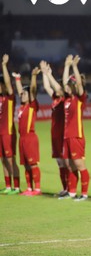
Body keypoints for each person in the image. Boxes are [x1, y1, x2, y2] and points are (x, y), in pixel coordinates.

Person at [61, 55, 90, 201]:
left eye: (68, 84)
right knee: (69, 164)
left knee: (79, 164)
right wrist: (66, 66)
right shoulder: (67, 99)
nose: (66, 86)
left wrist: (74, 67)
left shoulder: (79, 98)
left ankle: (84, 194)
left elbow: (78, 83)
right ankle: (72, 192)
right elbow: (65, 83)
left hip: (76, 135)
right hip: (67, 136)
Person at [40, 61, 68, 196]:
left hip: (63, 134)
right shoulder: (55, 99)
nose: (55, 90)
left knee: (66, 162)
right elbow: (46, 86)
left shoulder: (64, 99)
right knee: (59, 162)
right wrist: (45, 73)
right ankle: (65, 188)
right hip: (55, 135)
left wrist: (49, 75)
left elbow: (57, 88)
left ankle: (71, 189)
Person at [12, 68, 42, 196]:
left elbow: (33, 89)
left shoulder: (32, 106)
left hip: (30, 138)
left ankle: (38, 189)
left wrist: (33, 75)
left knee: (33, 164)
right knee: (26, 165)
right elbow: (20, 91)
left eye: (25, 94)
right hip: (22, 139)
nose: (22, 95)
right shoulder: (22, 107)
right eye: (22, 94)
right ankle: (29, 188)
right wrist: (17, 79)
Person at [0, 54, 21, 195]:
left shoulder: (9, 97)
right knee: (3, 159)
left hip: (8, 132)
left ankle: (17, 186)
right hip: (0, 133)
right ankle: (8, 186)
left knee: (10, 158)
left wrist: (4, 66)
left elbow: (8, 83)